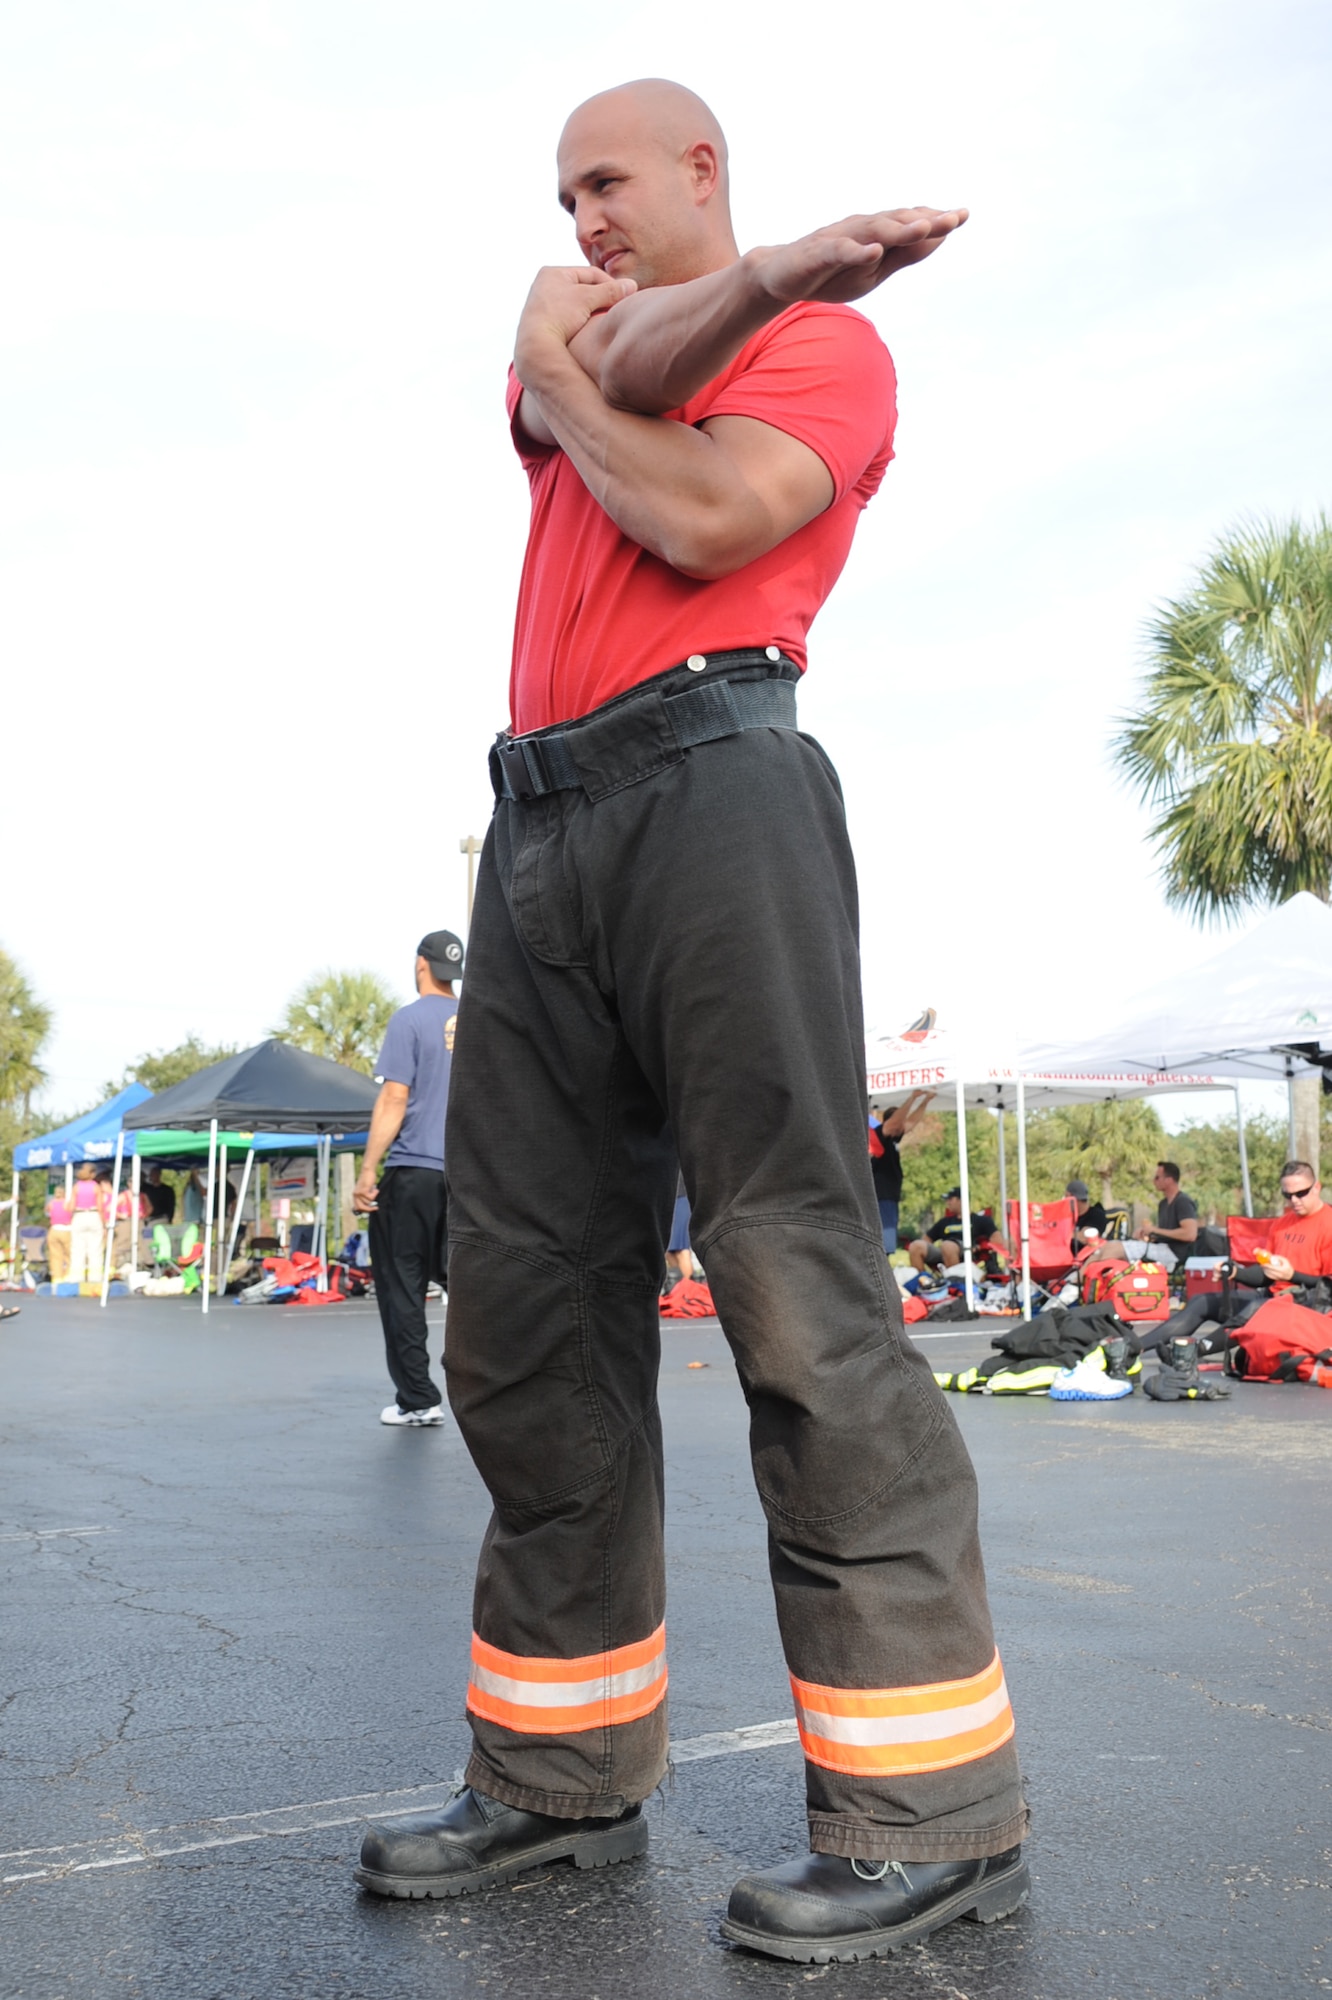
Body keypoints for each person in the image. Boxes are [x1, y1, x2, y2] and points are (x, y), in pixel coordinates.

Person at [355, 80, 1026, 1961]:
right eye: (562, 194)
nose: (581, 220)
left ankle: (929, 1813)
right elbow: (618, 359)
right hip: (539, 823)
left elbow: (712, 510)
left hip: (720, 780)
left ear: (705, 171)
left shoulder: (823, 350)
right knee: (525, 1312)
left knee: (794, 1284)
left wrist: (721, 313)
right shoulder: (612, 331)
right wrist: (582, 363)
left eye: (611, 183)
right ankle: (556, 1787)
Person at [353, 931, 462, 1426]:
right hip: (468, 1179)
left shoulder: (410, 1020)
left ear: (422, 964)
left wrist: (368, 1170)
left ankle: (418, 1399)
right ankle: (501, 1391)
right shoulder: (483, 1021)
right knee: (471, 1286)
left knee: (403, 1285)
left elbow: (395, 1098)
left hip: (414, 1170)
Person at [1148, 1161, 1332, 1398]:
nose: (1294, 1200)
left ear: (1317, 1187)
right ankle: (1134, 1348)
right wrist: (1236, 1272)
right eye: (1287, 1195)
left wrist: (1292, 1276)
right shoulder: (1281, 1224)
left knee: (1261, 1308)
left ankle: (1193, 1352)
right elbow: (1266, 1275)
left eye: (1301, 1193)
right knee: (1203, 1302)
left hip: (1312, 1307)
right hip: (1273, 1300)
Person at [868, 1090, 933, 1252]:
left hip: (889, 1196)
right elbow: (897, 1122)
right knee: (885, 1241)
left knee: (888, 1238)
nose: (902, 1128)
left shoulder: (893, 1138)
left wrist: (925, 1101)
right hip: (882, 1196)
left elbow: (910, 1123)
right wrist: (912, 1098)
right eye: (899, 1123)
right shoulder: (880, 1135)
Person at [907, 1190, 1005, 1272]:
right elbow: (927, 1239)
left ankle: (955, 1282)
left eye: (950, 1199)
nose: (947, 1203)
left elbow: (997, 1240)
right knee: (916, 1246)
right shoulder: (944, 1221)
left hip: (967, 1250)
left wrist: (979, 1247)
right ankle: (923, 1281)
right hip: (943, 1250)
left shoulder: (980, 1220)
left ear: (961, 1200)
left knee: (948, 1246)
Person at [1144, 1161, 1198, 1261]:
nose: (1154, 1181)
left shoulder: (1183, 1201)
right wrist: (1149, 1233)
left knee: (1119, 1249)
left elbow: (1190, 1234)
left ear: (1169, 1180)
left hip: (1175, 1254)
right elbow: (1165, 1233)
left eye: (1157, 1177)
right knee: (1119, 1246)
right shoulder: (1163, 1204)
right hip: (1161, 1248)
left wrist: (1155, 1230)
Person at [66, 1163, 105, 1284]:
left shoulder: (76, 1187)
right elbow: (100, 1207)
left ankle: (77, 1277)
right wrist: (104, 1224)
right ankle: (95, 1277)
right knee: (95, 1249)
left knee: (78, 1249)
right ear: (92, 1174)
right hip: (93, 1215)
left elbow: (71, 1206)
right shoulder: (96, 1187)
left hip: (79, 1216)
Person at [44, 1184, 73, 1284]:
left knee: (55, 1255)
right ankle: (68, 1275)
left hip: (53, 1230)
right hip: (66, 1229)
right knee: (69, 1255)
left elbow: (47, 1213)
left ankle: (57, 1277)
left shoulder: (51, 1203)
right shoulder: (67, 1203)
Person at [1066, 1179, 1108, 1246]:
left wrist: (1060, 1234)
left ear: (1072, 1198)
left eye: (1066, 1197)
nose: (1065, 1201)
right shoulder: (1068, 1216)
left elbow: (1084, 1237)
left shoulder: (1097, 1215)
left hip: (1088, 1255)